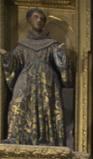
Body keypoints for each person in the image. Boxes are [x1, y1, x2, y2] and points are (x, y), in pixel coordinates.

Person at [1, 7, 70, 146]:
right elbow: (14, 64)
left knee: (46, 106)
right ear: (29, 20)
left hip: (47, 81)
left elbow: (62, 66)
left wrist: (61, 54)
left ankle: (48, 140)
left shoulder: (52, 44)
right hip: (25, 79)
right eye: (36, 17)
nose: (39, 20)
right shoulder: (22, 45)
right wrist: (6, 56)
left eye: (42, 19)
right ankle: (16, 137)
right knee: (18, 103)